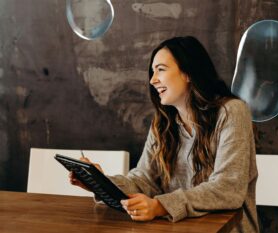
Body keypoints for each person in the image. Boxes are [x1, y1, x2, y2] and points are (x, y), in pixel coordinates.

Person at [70, 36, 259, 233]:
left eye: (160, 69)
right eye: (152, 72)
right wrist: (101, 183)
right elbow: (144, 181)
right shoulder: (163, 123)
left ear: (188, 73)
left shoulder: (232, 112)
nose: (152, 80)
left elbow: (228, 189)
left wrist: (160, 206)